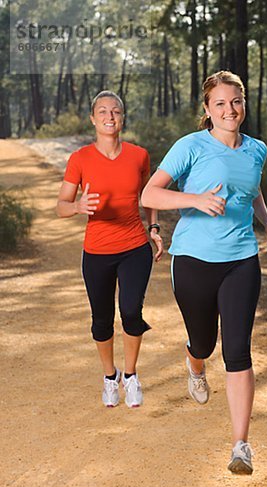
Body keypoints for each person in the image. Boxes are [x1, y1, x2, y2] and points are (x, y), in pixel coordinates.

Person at [141, 71, 267, 474]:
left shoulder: (257, 149)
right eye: (219, 104)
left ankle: (241, 445)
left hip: (241, 259)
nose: (229, 110)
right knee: (204, 343)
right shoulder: (191, 146)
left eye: (235, 101)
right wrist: (195, 199)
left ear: (244, 103)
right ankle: (195, 362)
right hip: (193, 260)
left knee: (238, 351)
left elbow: (251, 188)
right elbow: (150, 194)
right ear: (207, 110)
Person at [57, 90, 163, 408]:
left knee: (131, 312)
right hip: (97, 251)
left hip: (134, 247)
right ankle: (109, 377)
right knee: (101, 320)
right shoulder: (80, 159)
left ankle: (130, 376)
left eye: (115, 111)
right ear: (93, 119)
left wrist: (154, 228)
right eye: (102, 112)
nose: (109, 117)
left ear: (123, 117)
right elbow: (61, 205)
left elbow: (149, 196)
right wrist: (77, 206)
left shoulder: (139, 155)